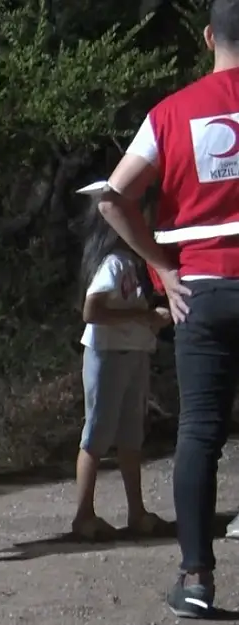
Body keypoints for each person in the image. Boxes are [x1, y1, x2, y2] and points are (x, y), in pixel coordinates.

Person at [95, 0, 239, 615]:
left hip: (200, 290)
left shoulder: (171, 112)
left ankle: (197, 580)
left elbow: (112, 197)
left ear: (208, 37)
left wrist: (160, 267)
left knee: (200, 432)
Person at [72, 202, 171, 541]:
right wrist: (143, 318)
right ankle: (84, 514)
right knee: (96, 434)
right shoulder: (113, 264)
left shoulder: (131, 262)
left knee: (131, 434)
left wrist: (151, 319)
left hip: (134, 353)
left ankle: (136, 511)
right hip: (107, 354)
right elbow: (92, 310)